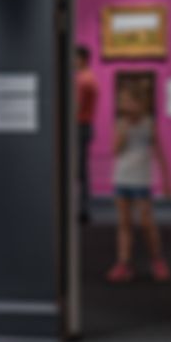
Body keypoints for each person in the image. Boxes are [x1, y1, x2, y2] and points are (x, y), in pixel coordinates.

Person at [106, 83, 171, 283]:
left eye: (128, 100)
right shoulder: (120, 123)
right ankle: (123, 264)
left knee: (146, 223)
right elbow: (115, 151)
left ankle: (157, 260)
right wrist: (123, 131)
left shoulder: (149, 123)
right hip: (122, 177)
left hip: (142, 179)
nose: (124, 104)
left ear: (139, 103)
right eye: (122, 101)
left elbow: (159, 152)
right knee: (124, 224)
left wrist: (167, 181)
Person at [75, 45, 99, 223]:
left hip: (79, 127)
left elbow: (76, 107)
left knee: (80, 171)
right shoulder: (90, 78)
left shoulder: (83, 80)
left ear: (82, 59)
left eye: (75, 58)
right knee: (82, 171)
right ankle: (83, 208)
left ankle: (83, 210)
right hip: (85, 126)